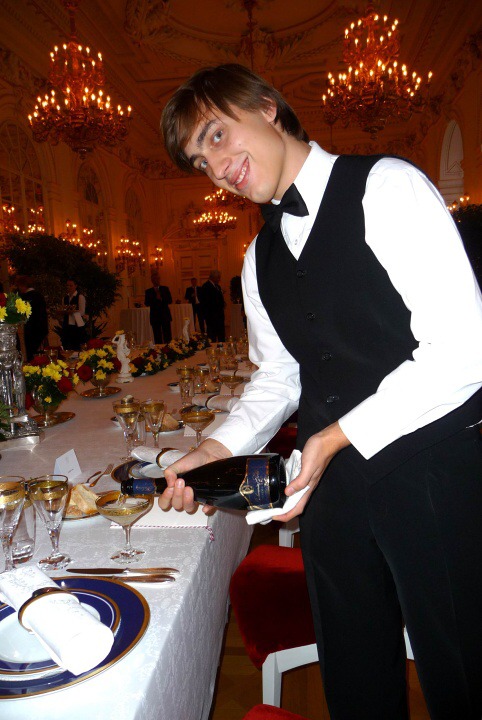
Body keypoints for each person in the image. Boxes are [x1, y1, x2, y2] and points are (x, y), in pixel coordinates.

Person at [159, 64, 482, 719]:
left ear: (268, 107)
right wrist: (213, 448)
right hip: (332, 490)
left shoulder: (385, 186)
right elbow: (278, 375)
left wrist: (334, 436)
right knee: (355, 678)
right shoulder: (258, 257)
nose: (216, 169)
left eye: (217, 136)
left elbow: (464, 347)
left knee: (464, 672)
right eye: (200, 161)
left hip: (436, 472)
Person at [15, 275, 49, 360]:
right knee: (41, 354)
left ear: (23, 285)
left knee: (32, 355)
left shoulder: (25, 297)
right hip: (42, 328)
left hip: (31, 329)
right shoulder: (39, 295)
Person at [144, 271, 172, 344]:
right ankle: (158, 349)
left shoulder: (165, 289)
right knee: (157, 336)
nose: (156, 280)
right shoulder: (148, 291)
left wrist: (161, 298)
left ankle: (169, 348)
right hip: (155, 316)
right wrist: (155, 298)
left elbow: (170, 300)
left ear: (159, 279)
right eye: (154, 279)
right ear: (152, 280)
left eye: (157, 279)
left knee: (167, 335)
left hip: (165, 315)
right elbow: (146, 303)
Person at [60, 279, 87, 351]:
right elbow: (63, 310)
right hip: (67, 325)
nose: (68, 287)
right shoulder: (65, 298)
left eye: (71, 285)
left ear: (76, 286)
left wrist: (72, 312)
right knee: (66, 345)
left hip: (77, 325)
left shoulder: (80, 297)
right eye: (67, 285)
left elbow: (82, 312)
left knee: (77, 345)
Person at [201, 270, 225, 342]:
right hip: (211, 315)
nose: (219, 279)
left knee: (221, 333)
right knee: (212, 334)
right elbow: (206, 301)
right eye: (218, 278)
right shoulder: (206, 286)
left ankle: (222, 345)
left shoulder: (217, 286)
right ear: (213, 277)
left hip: (219, 314)